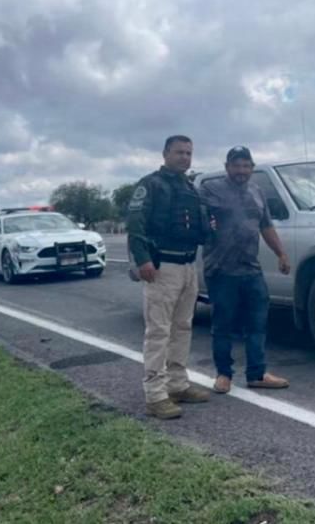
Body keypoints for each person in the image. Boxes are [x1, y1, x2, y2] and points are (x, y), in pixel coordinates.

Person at [127, 135, 212, 419]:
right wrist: (143, 260)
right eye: (179, 152)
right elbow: (135, 224)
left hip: (188, 267)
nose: (185, 158)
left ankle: (177, 385)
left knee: (183, 328)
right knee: (159, 331)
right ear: (165, 154)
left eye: (189, 153)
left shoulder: (190, 188)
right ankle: (155, 395)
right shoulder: (150, 184)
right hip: (163, 268)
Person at [199, 146, 291, 394]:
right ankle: (223, 374)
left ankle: (257, 373)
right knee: (223, 325)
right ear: (227, 167)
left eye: (246, 166)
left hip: (251, 269)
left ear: (251, 167)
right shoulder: (210, 190)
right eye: (236, 165)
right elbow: (197, 219)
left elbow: (266, 226)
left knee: (257, 324)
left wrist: (281, 253)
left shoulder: (257, 191)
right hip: (221, 269)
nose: (241, 171)